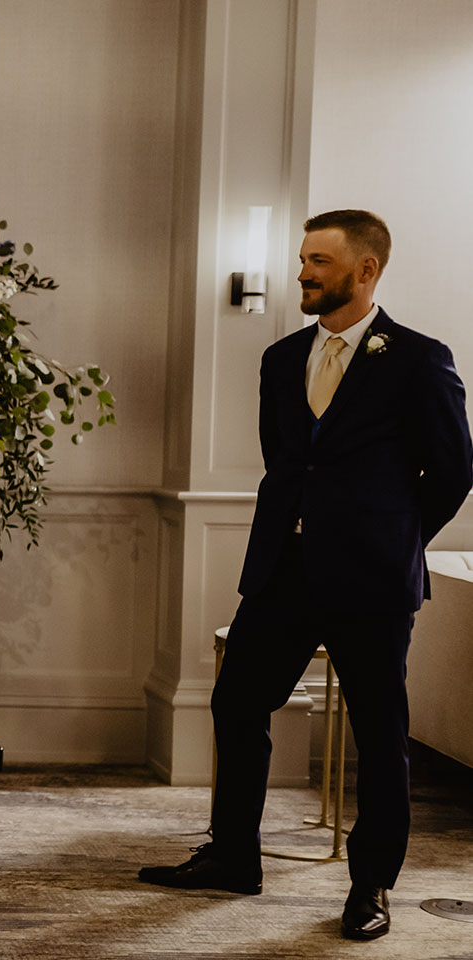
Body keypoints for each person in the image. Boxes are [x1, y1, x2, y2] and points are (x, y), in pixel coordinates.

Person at [139, 210, 473, 940]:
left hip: (372, 582)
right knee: (236, 703)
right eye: (302, 259)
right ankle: (234, 857)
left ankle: (371, 885)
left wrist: (396, 539)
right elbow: (283, 457)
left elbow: (453, 470)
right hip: (283, 571)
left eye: (318, 261)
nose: (302, 273)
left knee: (381, 735)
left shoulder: (420, 359)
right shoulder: (282, 358)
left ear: (365, 270)